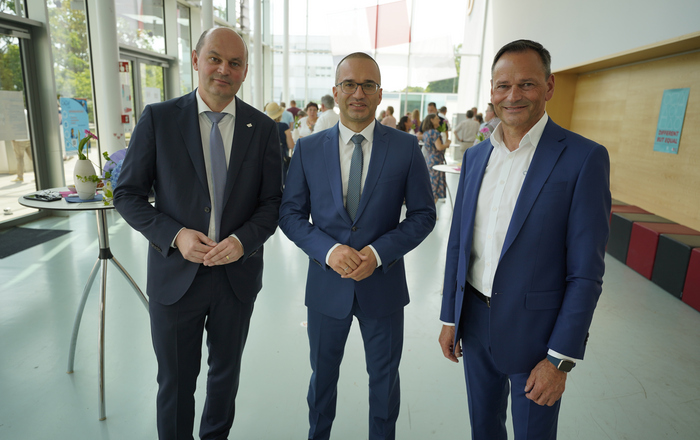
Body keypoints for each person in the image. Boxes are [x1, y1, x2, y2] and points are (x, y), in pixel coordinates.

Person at [113, 27, 282, 440]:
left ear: (244, 72)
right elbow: (128, 194)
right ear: (195, 59)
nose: (223, 69)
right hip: (175, 277)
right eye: (214, 58)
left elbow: (272, 203)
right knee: (175, 382)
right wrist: (175, 236)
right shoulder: (159, 119)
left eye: (235, 63)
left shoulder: (262, 130)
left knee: (224, 379)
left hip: (235, 279)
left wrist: (242, 241)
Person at [438, 39, 611, 440]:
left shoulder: (583, 158)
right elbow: (458, 246)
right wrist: (451, 317)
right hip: (475, 325)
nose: (513, 96)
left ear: (549, 87)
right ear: (492, 92)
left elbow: (586, 273)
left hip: (539, 334)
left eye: (527, 84)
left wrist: (560, 359)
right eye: (502, 86)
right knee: (483, 428)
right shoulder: (476, 158)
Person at [279, 52, 436, 440]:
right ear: (336, 91)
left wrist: (379, 253)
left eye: (368, 84)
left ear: (380, 93)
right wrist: (330, 251)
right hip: (326, 287)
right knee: (322, 379)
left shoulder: (405, 148)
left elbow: (423, 215)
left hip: (382, 286)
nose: (358, 93)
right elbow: (291, 215)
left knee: (384, 381)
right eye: (349, 84)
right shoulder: (308, 149)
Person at [421, 114, 451, 203]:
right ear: (431, 120)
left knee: (431, 185)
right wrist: (447, 143)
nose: (439, 121)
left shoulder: (426, 133)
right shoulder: (435, 132)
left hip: (429, 159)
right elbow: (439, 147)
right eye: (437, 119)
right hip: (436, 160)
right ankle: (431, 211)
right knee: (435, 187)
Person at [265, 101, 295, 182]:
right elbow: (291, 145)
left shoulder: (265, 127)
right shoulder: (284, 126)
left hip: (267, 163)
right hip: (281, 161)